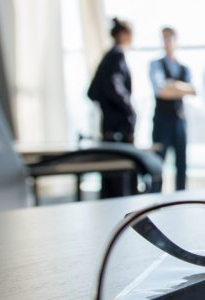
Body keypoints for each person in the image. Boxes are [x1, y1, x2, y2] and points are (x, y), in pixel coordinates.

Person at [87, 18, 136, 198]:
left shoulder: (109, 55)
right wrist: (129, 109)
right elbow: (112, 87)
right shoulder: (116, 55)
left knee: (111, 178)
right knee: (116, 180)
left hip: (109, 124)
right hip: (116, 127)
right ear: (123, 35)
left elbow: (93, 92)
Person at [149, 27, 195, 191]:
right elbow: (160, 91)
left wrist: (172, 85)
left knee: (181, 164)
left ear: (176, 41)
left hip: (180, 121)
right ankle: (154, 200)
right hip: (162, 120)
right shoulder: (155, 64)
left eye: (169, 38)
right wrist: (180, 89)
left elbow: (193, 90)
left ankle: (181, 198)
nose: (167, 42)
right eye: (164, 39)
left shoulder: (184, 68)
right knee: (157, 164)